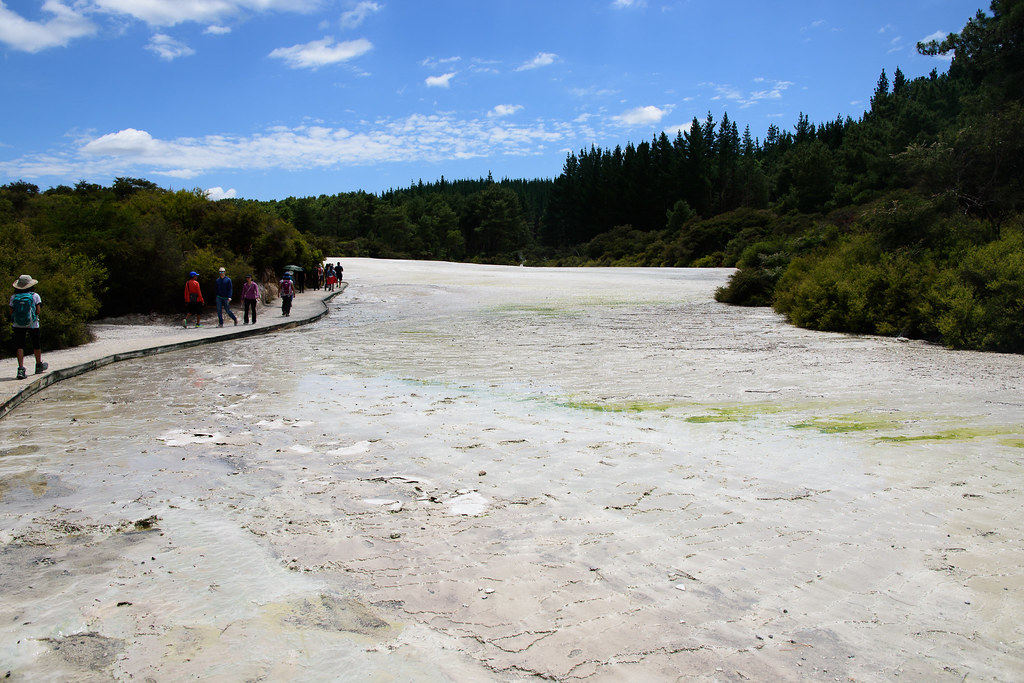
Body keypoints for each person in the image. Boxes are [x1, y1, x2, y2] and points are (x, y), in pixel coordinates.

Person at [9, 274, 47, 380]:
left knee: (20, 345)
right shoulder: (35, 296)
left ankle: (21, 369)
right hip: (33, 324)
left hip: (17, 324)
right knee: (36, 344)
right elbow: (37, 311)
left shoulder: (14, 297)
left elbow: (11, 312)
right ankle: (38, 365)